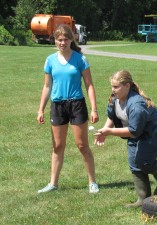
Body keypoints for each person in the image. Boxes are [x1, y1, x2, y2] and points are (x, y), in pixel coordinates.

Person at [94, 70, 157, 207]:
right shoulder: (115, 99)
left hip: (153, 130)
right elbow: (112, 116)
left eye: (116, 86)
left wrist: (109, 131)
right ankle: (143, 199)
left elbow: (133, 131)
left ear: (127, 86)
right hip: (135, 130)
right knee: (134, 163)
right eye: (112, 86)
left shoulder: (136, 104)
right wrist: (104, 131)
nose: (113, 90)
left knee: (144, 161)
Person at [37, 24, 99, 193]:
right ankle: (53, 184)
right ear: (55, 40)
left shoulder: (80, 59)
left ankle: (92, 182)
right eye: (59, 39)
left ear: (72, 40)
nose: (62, 42)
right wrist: (41, 109)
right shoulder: (50, 60)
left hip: (76, 104)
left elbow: (89, 85)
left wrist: (94, 109)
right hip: (57, 106)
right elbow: (47, 86)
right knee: (57, 146)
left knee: (82, 145)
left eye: (65, 39)